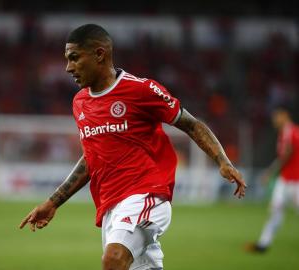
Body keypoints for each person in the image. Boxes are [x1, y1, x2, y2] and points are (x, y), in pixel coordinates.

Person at [19, 24, 246, 270]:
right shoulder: (80, 103)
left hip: (146, 193)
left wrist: (222, 160)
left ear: (99, 54)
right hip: (110, 206)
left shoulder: (141, 90)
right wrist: (53, 202)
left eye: (74, 58)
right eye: (67, 60)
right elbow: (92, 158)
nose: (68, 68)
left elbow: (191, 124)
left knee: (113, 259)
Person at [247, 105, 299, 253]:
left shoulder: (291, 131)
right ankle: (264, 243)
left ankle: (264, 243)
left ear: (285, 115)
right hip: (284, 180)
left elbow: (286, 155)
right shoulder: (283, 133)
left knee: (277, 211)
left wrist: (270, 172)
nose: (274, 120)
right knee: (275, 211)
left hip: (295, 181)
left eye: (276, 117)